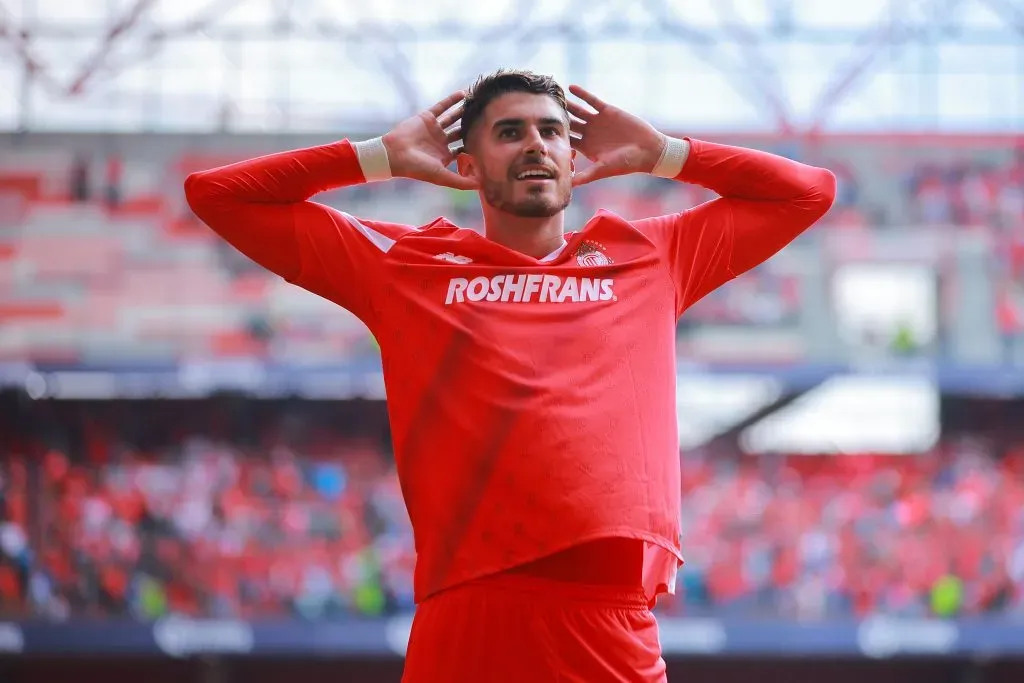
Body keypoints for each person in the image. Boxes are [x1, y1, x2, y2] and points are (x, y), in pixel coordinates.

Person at [184, 69, 836, 682]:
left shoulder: (652, 255)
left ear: (573, 159)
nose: (535, 145)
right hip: (467, 618)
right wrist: (378, 156)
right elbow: (217, 195)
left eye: (551, 131)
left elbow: (808, 192)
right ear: (466, 166)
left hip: (608, 623)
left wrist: (663, 153)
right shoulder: (405, 263)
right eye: (509, 131)